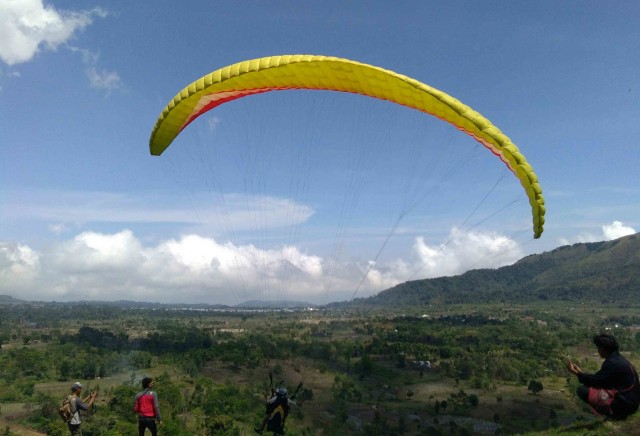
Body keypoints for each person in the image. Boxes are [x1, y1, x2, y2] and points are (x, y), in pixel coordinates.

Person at [567, 333, 640, 419]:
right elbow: (598, 378)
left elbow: (597, 381)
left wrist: (577, 373)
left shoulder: (612, 363)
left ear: (602, 349)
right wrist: (580, 373)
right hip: (631, 402)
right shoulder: (618, 359)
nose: (598, 351)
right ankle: (615, 413)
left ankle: (614, 415)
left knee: (582, 390)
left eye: (598, 348)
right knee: (589, 386)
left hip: (625, 405)